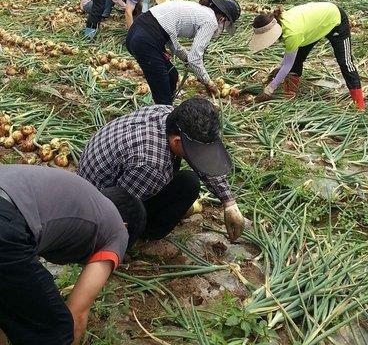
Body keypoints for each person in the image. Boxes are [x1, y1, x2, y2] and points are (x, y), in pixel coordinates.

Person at [0, 165, 145, 345]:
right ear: (127, 227)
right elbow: (76, 313)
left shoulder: (76, 194)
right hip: (4, 222)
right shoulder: (117, 229)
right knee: (52, 327)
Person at [77, 98, 246, 243]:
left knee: (182, 177)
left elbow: (203, 158)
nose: (200, 157)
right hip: (95, 206)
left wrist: (229, 202)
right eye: (197, 152)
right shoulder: (151, 166)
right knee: (188, 185)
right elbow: (117, 208)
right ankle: (146, 234)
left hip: (100, 177)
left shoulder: (169, 115)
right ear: (177, 142)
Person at [248, 2, 365, 110]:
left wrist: (270, 89)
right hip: (312, 27)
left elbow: (287, 64)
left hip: (335, 19)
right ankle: (289, 98)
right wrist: (279, 68)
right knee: (296, 59)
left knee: (345, 63)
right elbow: (289, 59)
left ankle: (359, 107)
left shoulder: (292, 33)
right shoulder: (281, 22)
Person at [126, 0, 241, 105]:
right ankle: (163, 114)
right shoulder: (210, 21)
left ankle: (166, 108)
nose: (222, 29)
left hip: (137, 33)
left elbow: (172, 41)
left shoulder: (200, 11)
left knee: (172, 75)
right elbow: (195, 59)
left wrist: (185, 58)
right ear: (222, 19)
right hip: (146, 40)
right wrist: (208, 82)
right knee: (162, 90)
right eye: (225, 26)